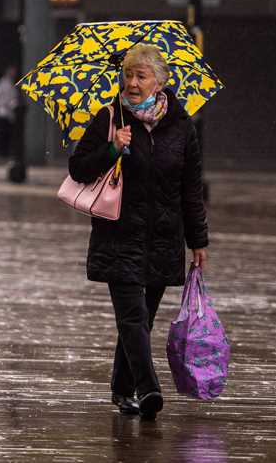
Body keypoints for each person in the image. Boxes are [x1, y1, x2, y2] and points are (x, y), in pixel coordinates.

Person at [67, 43, 208, 421]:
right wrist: (112, 149)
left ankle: (121, 388)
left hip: (163, 237)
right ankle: (148, 388)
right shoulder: (109, 119)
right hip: (119, 234)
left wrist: (198, 240)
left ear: (159, 81)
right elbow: (78, 168)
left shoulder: (182, 127)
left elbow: (191, 188)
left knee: (142, 318)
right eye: (127, 74)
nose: (131, 82)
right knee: (131, 316)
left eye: (140, 75)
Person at [0, 66, 19, 158]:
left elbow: (14, 98)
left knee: (8, 134)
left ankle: (5, 152)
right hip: (2, 111)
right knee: (1, 134)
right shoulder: (2, 83)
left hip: (10, 113)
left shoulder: (12, 84)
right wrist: (3, 104)